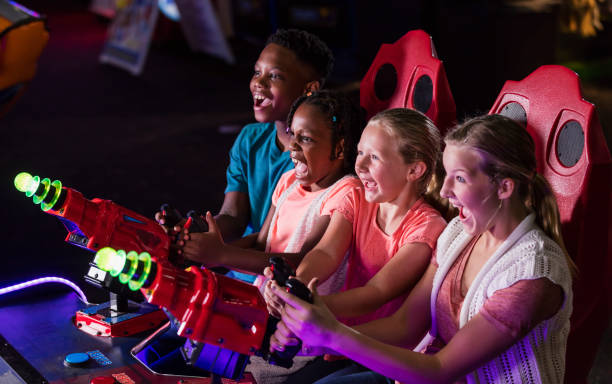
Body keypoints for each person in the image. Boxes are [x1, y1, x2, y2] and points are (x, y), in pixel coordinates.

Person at [270, 114, 575, 384]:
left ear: (504, 188)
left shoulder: (531, 275)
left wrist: (333, 336)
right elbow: (405, 327)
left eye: (459, 179)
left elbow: (440, 369)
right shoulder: (458, 233)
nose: (444, 193)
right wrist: (315, 336)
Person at [264, 108, 448, 382]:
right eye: (360, 153)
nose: (360, 166)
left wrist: (314, 307)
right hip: (338, 336)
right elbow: (326, 252)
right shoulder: (357, 197)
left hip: (385, 353)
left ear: (414, 170)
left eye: (373, 157)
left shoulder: (427, 228)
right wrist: (295, 289)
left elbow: (376, 292)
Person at [157, 29, 334, 240]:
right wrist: (190, 228)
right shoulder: (250, 139)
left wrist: (218, 253)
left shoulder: (321, 154)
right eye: (257, 72)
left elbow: (292, 243)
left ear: (309, 89)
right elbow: (233, 217)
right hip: (239, 261)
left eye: (275, 76)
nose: (259, 83)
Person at [178, 90, 362, 278]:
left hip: (302, 303)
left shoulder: (344, 193)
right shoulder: (288, 181)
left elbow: (303, 261)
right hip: (268, 293)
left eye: (305, 139)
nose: (293, 146)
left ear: (339, 148)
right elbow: (261, 243)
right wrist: (209, 251)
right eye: (292, 134)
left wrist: (222, 254)